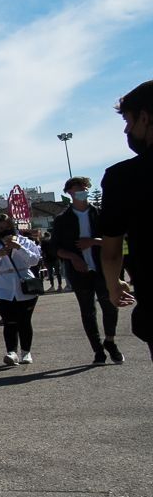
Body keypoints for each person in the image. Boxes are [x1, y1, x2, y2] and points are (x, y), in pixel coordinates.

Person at [101, 80, 153, 360]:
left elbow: (111, 250)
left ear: (144, 118)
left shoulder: (123, 177)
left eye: (128, 121)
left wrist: (114, 284)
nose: (126, 130)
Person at [52, 177, 124, 365]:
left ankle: (110, 341)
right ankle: (98, 350)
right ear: (69, 192)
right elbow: (55, 248)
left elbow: (115, 240)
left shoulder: (99, 214)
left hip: (102, 269)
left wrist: (93, 242)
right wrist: (73, 257)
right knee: (87, 311)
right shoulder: (62, 220)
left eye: (85, 188)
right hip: (79, 272)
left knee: (110, 305)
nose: (83, 191)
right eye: (79, 188)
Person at [0, 215, 42, 366]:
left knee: (24, 321)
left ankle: (26, 352)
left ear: (12, 226)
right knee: (9, 321)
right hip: (3, 288)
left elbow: (35, 260)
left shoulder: (24, 241)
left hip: (25, 285)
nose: (5, 231)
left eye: (7, 227)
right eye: (1, 228)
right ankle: (11, 352)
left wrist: (19, 248)